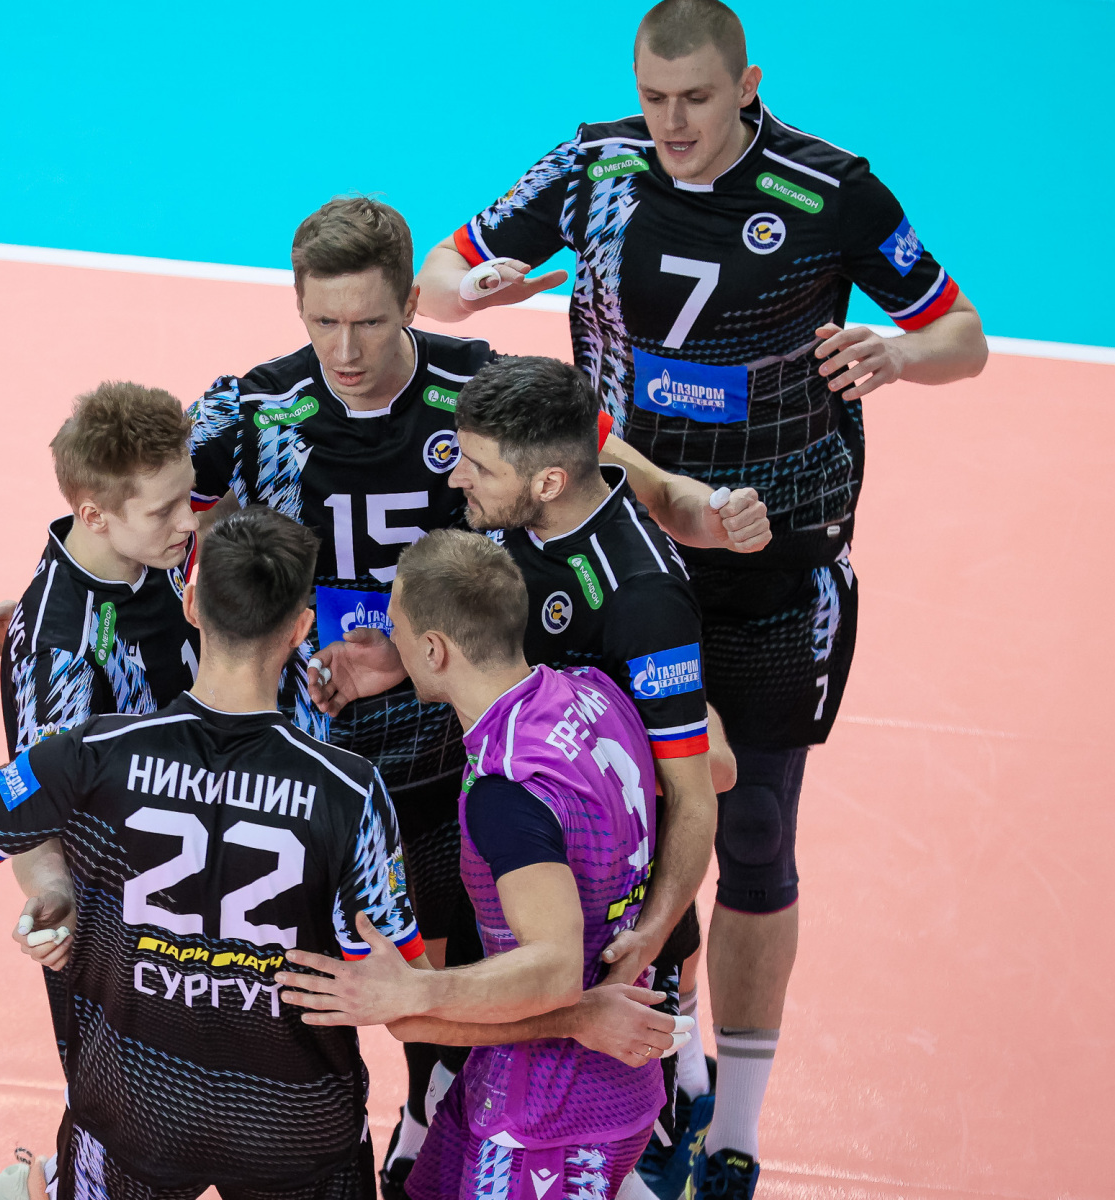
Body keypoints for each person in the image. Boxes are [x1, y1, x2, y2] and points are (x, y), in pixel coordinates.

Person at [414, 2, 989, 1193]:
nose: (671, 121)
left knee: (753, 833)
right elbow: (441, 274)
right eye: (654, 96)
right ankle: (658, 1065)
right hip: (604, 547)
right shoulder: (594, 165)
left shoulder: (832, 194)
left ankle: (737, 1132)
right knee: (602, 825)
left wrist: (898, 354)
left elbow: (961, 336)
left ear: (747, 85)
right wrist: (475, 291)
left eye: (696, 98)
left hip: (769, 568)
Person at [186, 196, 766, 1194]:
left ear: (412, 303)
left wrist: (698, 510)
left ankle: (640, 1091)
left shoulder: (492, 404)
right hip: (373, 725)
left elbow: (610, 468)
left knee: (512, 931)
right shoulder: (257, 410)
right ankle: (439, 1108)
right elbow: (159, 524)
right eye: (323, 322)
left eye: (370, 321)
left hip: (472, 745)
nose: (345, 349)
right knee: (417, 943)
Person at [0, 506, 425, 1200]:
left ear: (192, 604)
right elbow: (409, 999)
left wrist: (35, 777)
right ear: (300, 629)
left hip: (133, 1112)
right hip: (293, 1128)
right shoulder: (350, 790)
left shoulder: (91, 755)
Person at [307, 357, 729, 1193]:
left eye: (477, 465)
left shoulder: (642, 597)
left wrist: (649, 935)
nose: (454, 477)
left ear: (548, 480)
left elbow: (697, 786)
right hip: (516, 882)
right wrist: (401, 658)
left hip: (600, 927)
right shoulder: (513, 522)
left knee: (586, 1120)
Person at [277, 530, 681, 1200]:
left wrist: (414, 994)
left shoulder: (507, 791)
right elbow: (705, 773)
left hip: (547, 1119)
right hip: (535, 1079)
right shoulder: (593, 692)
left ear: (435, 649)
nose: (390, 641)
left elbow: (553, 970)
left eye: (398, 630)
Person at [0, 382, 204, 1088]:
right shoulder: (58, 651)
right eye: (165, 510)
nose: (190, 520)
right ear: (94, 514)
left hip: (209, 877)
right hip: (130, 926)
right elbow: (35, 802)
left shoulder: (149, 551)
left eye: (187, 496)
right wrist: (51, 891)